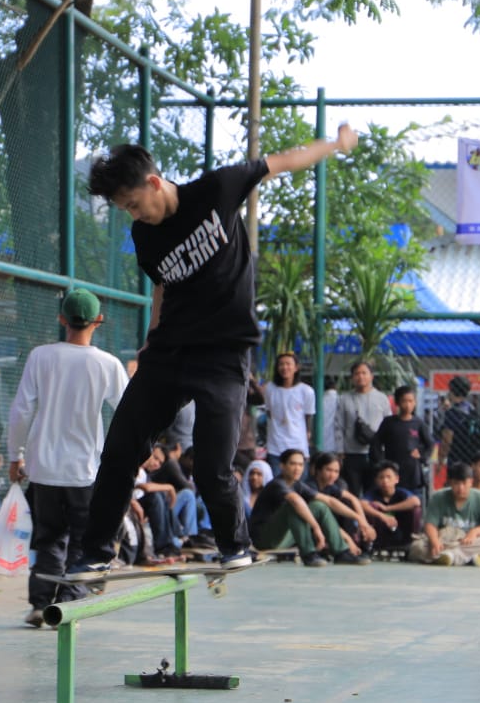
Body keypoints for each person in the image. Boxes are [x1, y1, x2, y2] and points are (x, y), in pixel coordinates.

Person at [67, 122, 359, 580]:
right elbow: (162, 284)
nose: (134, 215)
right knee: (121, 448)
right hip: (169, 352)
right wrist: (151, 335)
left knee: (212, 464)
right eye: (124, 209)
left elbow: (282, 161)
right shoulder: (145, 237)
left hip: (223, 355)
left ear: (154, 183)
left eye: (133, 204)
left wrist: (337, 146)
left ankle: (234, 543)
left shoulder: (217, 190)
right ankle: (97, 550)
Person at [7, 289, 129, 626]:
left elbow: (20, 411)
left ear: (62, 319)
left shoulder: (41, 357)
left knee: (47, 540)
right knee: (81, 543)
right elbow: (128, 413)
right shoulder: (108, 364)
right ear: (98, 321)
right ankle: (68, 606)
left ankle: (39, 603)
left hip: (43, 468)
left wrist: (14, 455)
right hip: (85, 472)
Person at [248, 449, 369, 566]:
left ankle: (341, 552)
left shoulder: (298, 485)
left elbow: (330, 501)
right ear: (282, 466)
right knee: (295, 505)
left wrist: (358, 517)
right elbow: (295, 500)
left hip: (285, 538)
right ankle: (309, 554)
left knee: (319, 505)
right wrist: (316, 527)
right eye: (293, 464)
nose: (297, 468)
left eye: (300, 464)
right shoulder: (277, 484)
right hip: (263, 539)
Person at [409, 462, 480, 567]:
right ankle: (467, 558)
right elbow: (430, 524)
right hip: (444, 540)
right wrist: (434, 541)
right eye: (456, 483)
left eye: (464, 483)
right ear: (450, 483)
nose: (460, 488)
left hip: (469, 542)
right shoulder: (438, 497)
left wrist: (475, 532)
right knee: (416, 547)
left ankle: (450, 556)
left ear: (471, 482)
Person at [334, 360, 392, 496]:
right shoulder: (344, 399)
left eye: (364, 373)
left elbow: (388, 425)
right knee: (351, 493)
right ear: (352, 377)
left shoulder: (381, 398)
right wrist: (340, 451)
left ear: (371, 376)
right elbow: (338, 426)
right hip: (351, 454)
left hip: (376, 454)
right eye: (357, 373)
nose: (360, 377)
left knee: (373, 493)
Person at [306, 451, 377, 557]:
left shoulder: (329, 486)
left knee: (347, 502)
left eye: (336, 471)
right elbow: (325, 521)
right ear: (318, 470)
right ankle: (345, 547)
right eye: (328, 470)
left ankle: (360, 544)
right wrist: (348, 541)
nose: (332, 475)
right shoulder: (310, 487)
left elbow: (353, 499)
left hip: (324, 528)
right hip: (308, 529)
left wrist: (364, 524)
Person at [370, 385, 435, 494]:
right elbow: (376, 443)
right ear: (397, 402)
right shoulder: (388, 422)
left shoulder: (419, 423)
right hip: (392, 470)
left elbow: (430, 444)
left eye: (411, 401)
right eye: (404, 401)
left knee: (413, 500)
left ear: (415, 402)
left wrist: (422, 456)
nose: (407, 405)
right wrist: (381, 463)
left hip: (412, 472)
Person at [264, 352, 316, 473]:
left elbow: (308, 416)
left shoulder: (306, 391)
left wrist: (307, 434)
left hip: (298, 445)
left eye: (288, 364)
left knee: (298, 485)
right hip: (275, 447)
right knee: (277, 485)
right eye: (281, 364)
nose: (284, 367)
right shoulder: (270, 389)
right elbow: (269, 412)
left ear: (296, 367)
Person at [362, 460, 422, 560]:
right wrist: (382, 516)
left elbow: (416, 501)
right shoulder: (372, 493)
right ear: (376, 480)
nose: (385, 481)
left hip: (401, 530)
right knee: (371, 507)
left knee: (416, 510)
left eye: (388, 477)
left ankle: (409, 543)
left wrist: (387, 508)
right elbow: (362, 504)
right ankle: (372, 545)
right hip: (380, 531)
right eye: (381, 477)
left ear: (396, 479)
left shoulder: (402, 493)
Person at [438, 376, 480, 473]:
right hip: (471, 456)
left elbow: (447, 440)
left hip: (456, 458)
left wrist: (440, 461)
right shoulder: (471, 408)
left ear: (452, 390)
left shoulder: (452, 413)